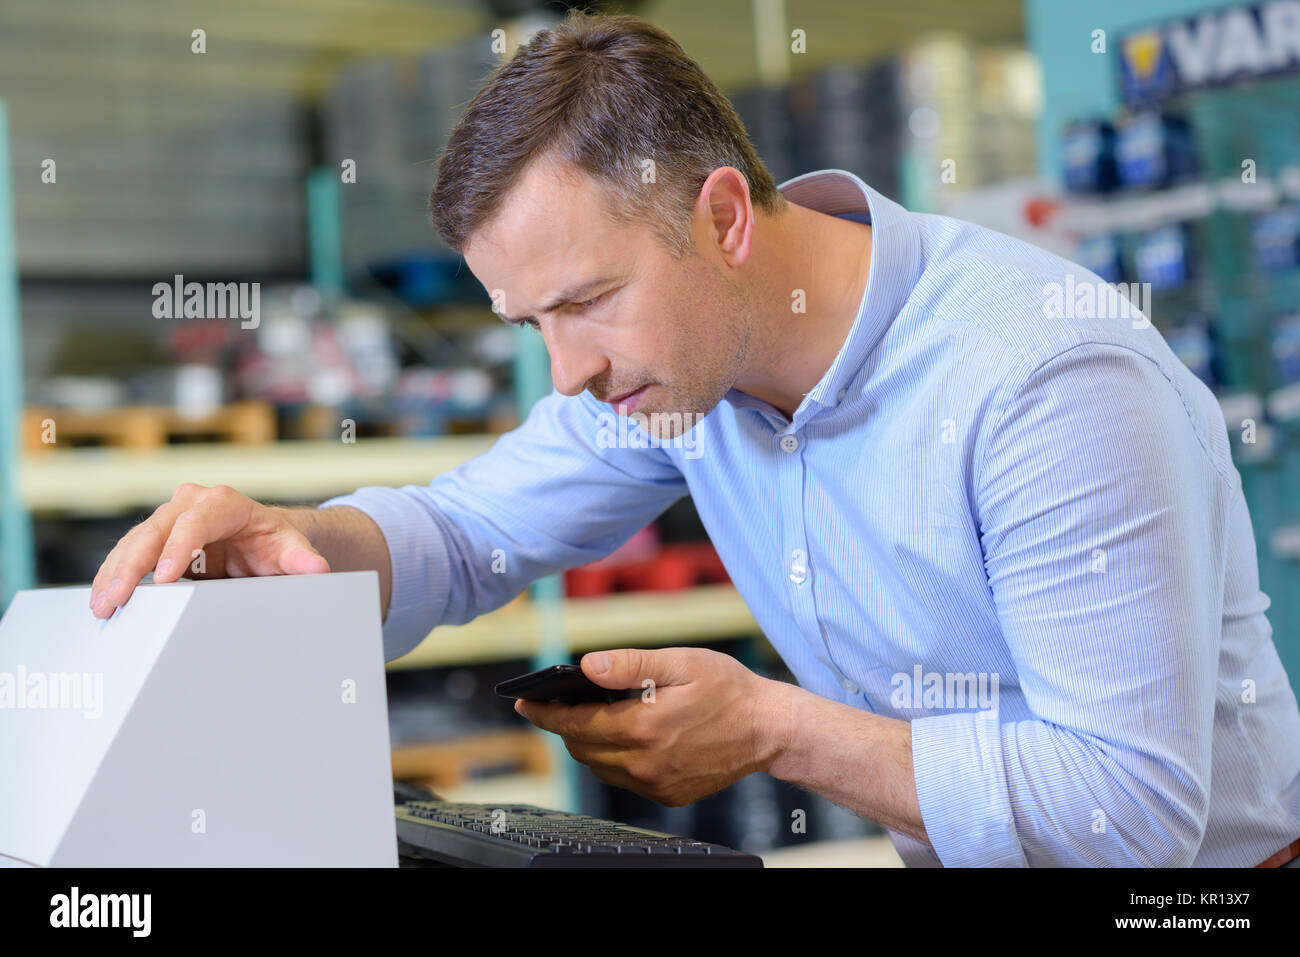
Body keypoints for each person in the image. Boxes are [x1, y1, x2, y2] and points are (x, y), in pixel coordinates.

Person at [90, 11, 1300, 868]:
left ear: (720, 215)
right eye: (528, 321)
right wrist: (296, 543)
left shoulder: (1040, 379)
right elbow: (464, 532)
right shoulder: (682, 378)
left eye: (580, 303)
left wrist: (773, 728)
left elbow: (1127, 811)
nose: (568, 371)